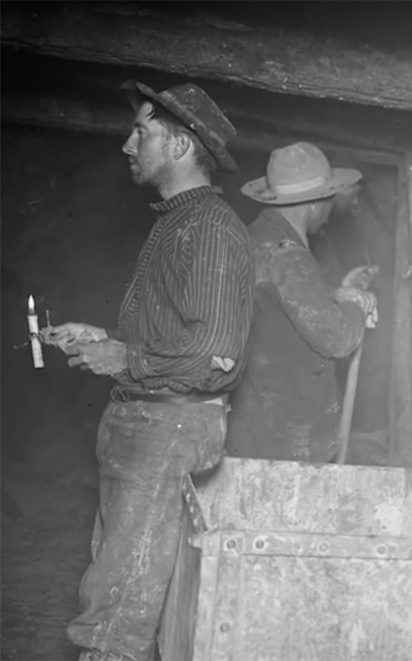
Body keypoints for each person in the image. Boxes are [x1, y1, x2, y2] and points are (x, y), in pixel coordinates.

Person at [45, 81, 253, 661]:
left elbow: (216, 354)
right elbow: (179, 338)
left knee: (118, 613)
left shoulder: (208, 227)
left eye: (142, 130)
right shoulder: (175, 223)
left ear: (182, 146)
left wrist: (124, 358)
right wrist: (108, 340)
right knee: (116, 589)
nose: (127, 143)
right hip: (147, 424)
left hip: (167, 429)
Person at [226, 141, 378, 463]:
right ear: (314, 203)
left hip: (251, 423)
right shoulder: (288, 254)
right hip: (287, 438)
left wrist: (338, 292)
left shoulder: (253, 238)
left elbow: (278, 303)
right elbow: (338, 339)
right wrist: (355, 305)